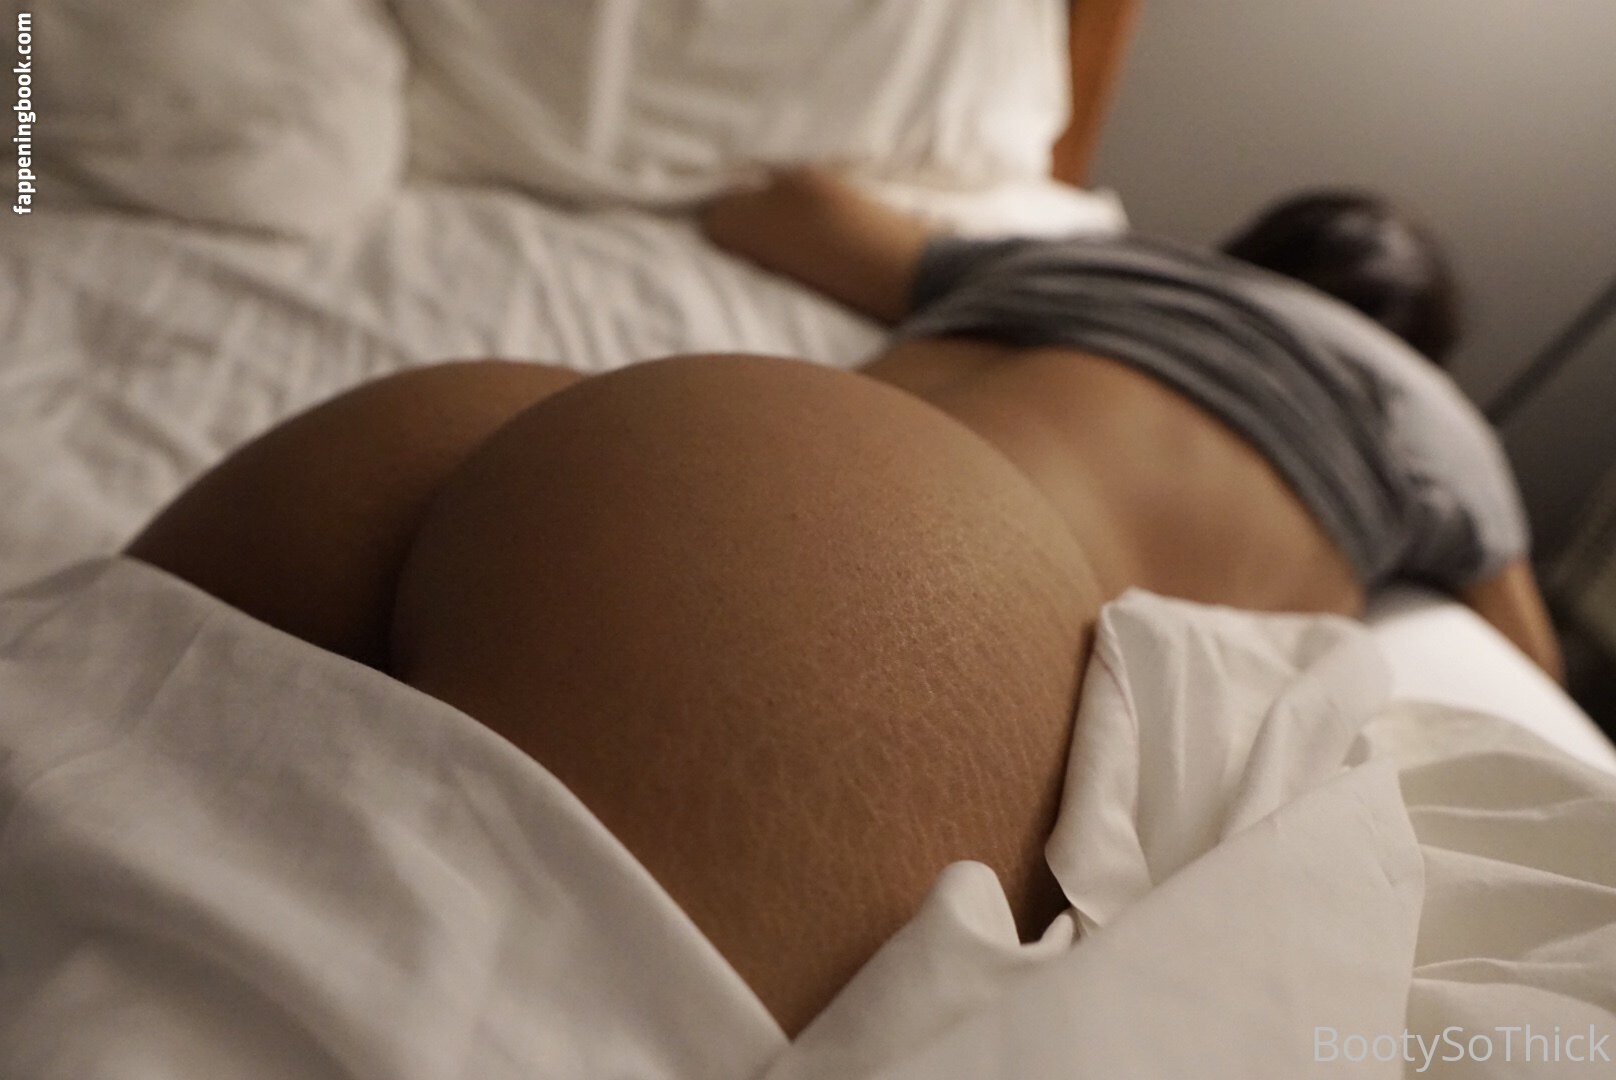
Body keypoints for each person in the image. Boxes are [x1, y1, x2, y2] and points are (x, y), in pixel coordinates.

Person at [124, 168, 1558, 1036]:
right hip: (878, 570)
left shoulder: (1091, 255)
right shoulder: (1435, 420)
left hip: (570, 429)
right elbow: (1530, 662)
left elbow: (779, 209)